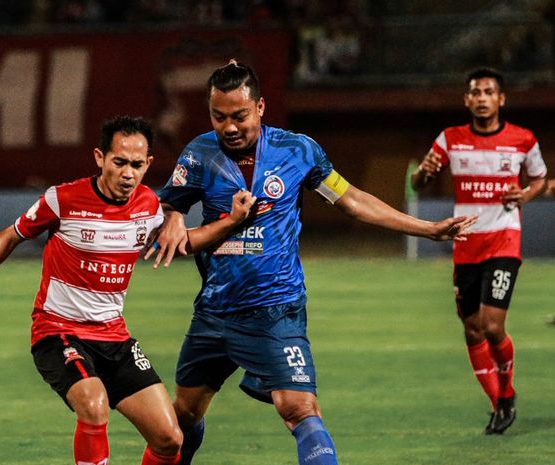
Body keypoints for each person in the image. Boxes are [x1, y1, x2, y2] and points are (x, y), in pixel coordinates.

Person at [146, 60, 476, 465]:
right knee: (181, 419)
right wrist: (173, 214)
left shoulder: (297, 150)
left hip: (276, 310)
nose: (229, 127)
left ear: (261, 107)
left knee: (300, 409)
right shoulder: (198, 154)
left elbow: (351, 199)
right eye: (219, 117)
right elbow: (165, 204)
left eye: (239, 116)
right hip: (214, 312)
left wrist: (426, 229)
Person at [0, 115, 256, 465]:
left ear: (148, 163)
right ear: (99, 158)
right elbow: (12, 234)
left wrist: (231, 221)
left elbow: (184, 243)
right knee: (93, 403)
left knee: (169, 439)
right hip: (58, 333)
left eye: (137, 165)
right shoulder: (63, 200)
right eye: (119, 162)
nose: (128, 173)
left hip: (114, 339)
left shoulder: (148, 205)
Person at [411, 68, 548, 435]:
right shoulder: (450, 139)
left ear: (501, 99)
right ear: (467, 100)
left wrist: (526, 195)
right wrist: (424, 172)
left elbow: (539, 180)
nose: (482, 98)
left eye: (489, 92)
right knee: (472, 330)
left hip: (504, 238)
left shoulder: (522, 139)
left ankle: (505, 394)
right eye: (476, 92)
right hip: (466, 242)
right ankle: (499, 402)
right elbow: (417, 181)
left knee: (491, 325)